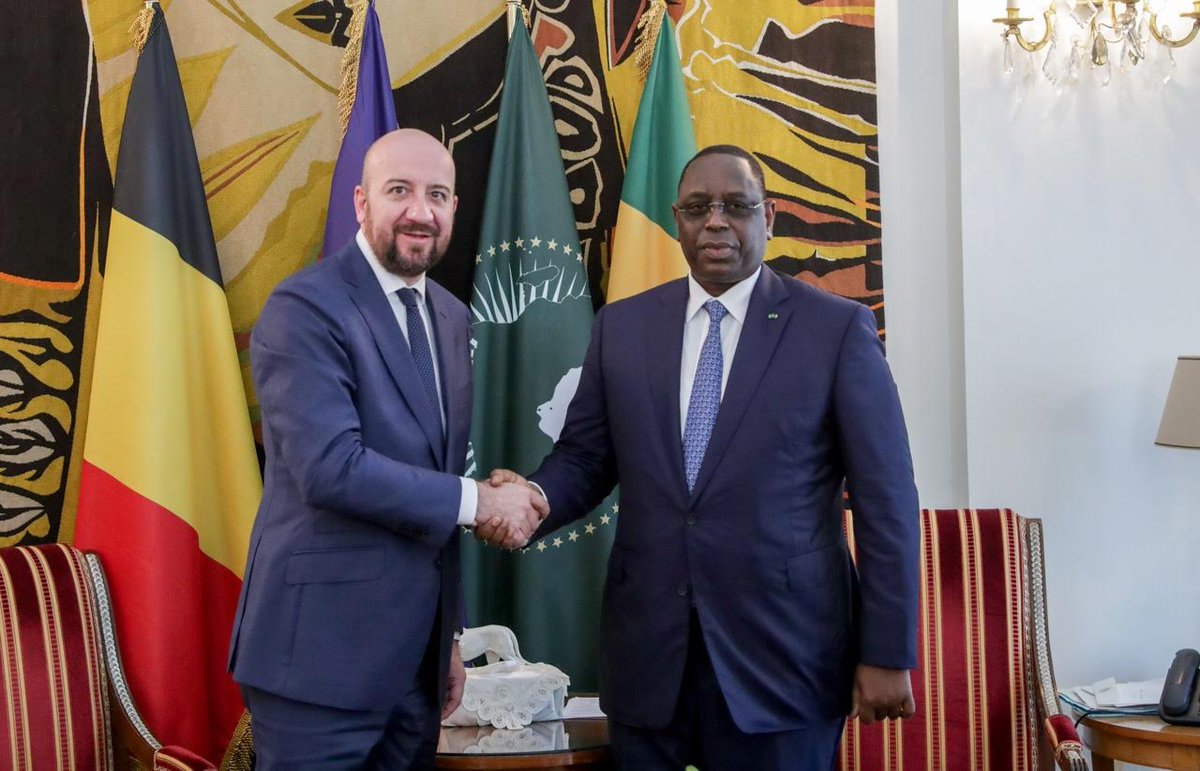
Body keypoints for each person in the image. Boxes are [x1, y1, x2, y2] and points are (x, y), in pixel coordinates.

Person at [482, 145, 920, 769]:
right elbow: (585, 457)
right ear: (677, 221)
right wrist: (534, 498)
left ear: (769, 216)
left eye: (736, 205)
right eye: (697, 208)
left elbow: (887, 502)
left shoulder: (835, 330)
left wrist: (887, 652)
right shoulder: (622, 327)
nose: (716, 221)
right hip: (649, 661)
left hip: (784, 663)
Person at [228, 128, 546, 770]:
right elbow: (330, 469)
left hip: (415, 670)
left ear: (455, 208)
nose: (420, 211)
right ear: (361, 202)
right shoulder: (304, 308)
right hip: (317, 664)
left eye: (438, 195)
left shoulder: (451, 317)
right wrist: (481, 501)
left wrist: (447, 637)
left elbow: (431, 477)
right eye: (399, 190)